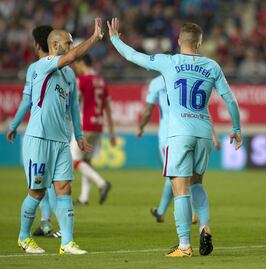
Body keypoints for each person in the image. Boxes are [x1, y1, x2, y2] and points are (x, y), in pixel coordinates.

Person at [108, 18, 242, 257]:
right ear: (199, 43)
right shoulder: (212, 66)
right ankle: (204, 225)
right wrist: (237, 128)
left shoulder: (168, 62)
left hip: (179, 132)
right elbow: (230, 99)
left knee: (180, 188)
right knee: (197, 182)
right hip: (203, 132)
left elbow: (133, 56)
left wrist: (115, 38)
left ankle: (184, 245)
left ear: (179, 41)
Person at [7, 18, 104, 254]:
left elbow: (73, 107)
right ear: (55, 45)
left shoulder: (70, 76)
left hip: (61, 141)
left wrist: (79, 135)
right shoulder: (41, 65)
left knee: (64, 188)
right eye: (68, 43)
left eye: (72, 43)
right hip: (39, 138)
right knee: (38, 191)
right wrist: (93, 38)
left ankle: (67, 242)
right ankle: (24, 237)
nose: (71, 47)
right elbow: (27, 101)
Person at [137, 75, 221, 223]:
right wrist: (213, 135)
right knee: (192, 177)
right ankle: (191, 214)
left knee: (174, 175)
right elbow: (202, 110)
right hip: (192, 132)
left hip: (169, 136)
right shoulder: (188, 78)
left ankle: (163, 212)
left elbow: (148, 110)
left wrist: (141, 127)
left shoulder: (156, 82)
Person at [6, 25, 60, 238]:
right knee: (55, 183)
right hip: (59, 133)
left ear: (37, 44)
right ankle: (49, 223)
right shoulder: (64, 68)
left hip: (38, 134)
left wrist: (12, 126)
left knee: (39, 183)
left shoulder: (35, 68)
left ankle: (37, 228)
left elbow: (26, 101)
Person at [71, 54, 115, 206]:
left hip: (85, 125)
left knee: (74, 160)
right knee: (86, 161)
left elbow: (75, 102)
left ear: (82, 63)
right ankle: (84, 198)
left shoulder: (82, 80)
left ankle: (102, 183)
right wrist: (112, 132)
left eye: (76, 64)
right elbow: (108, 108)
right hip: (98, 125)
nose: (75, 68)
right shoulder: (101, 81)